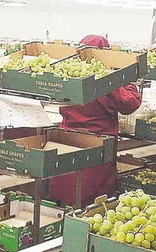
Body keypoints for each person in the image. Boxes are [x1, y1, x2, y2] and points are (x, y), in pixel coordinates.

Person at [49, 35, 142, 207]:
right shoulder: (102, 78)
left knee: (67, 181)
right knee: (90, 196)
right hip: (96, 143)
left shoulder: (68, 73)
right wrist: (128, 81)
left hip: (67, 138)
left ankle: (62, 215)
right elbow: (130, 103)